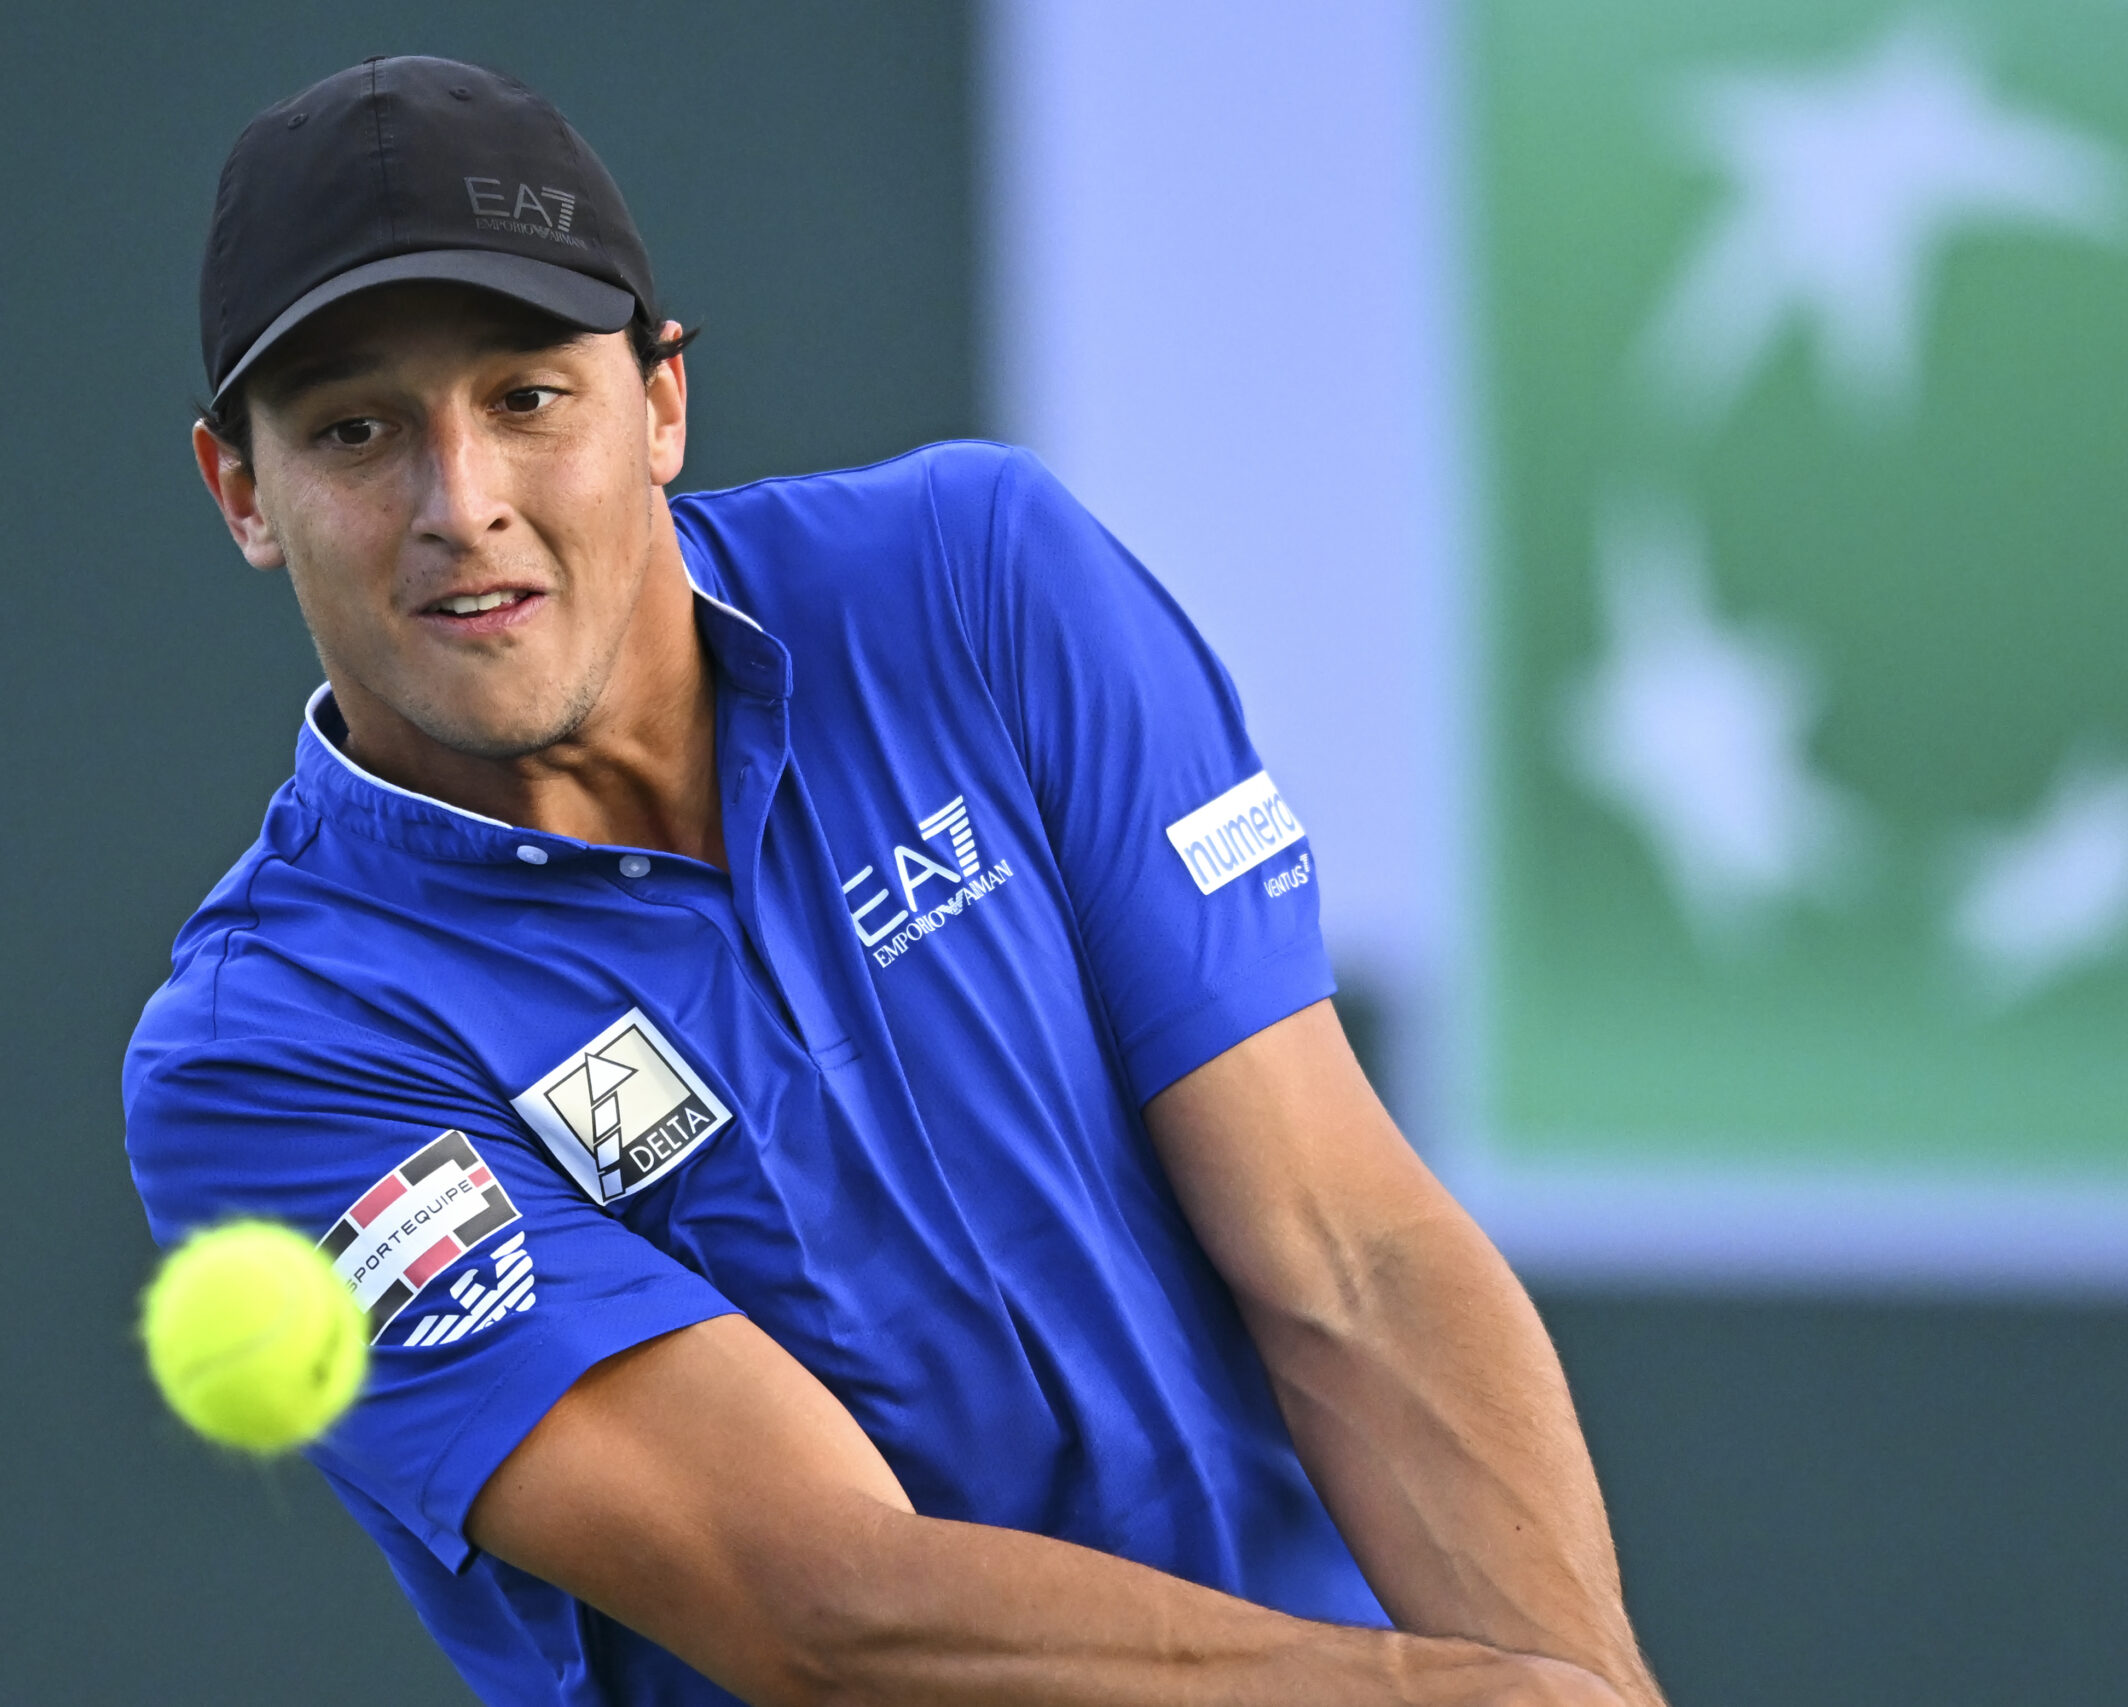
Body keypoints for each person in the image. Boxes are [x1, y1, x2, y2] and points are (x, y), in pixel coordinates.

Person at [125, 53, 1664, 1707]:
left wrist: (1583, 1691)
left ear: (661, 404)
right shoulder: (272, 1051)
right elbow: (825, 1607)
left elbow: (1345, 1254)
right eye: (357, 431)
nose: (461, 505)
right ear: (242, 492)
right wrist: (1452, 1701)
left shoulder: (978, 581)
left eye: (527, 398)